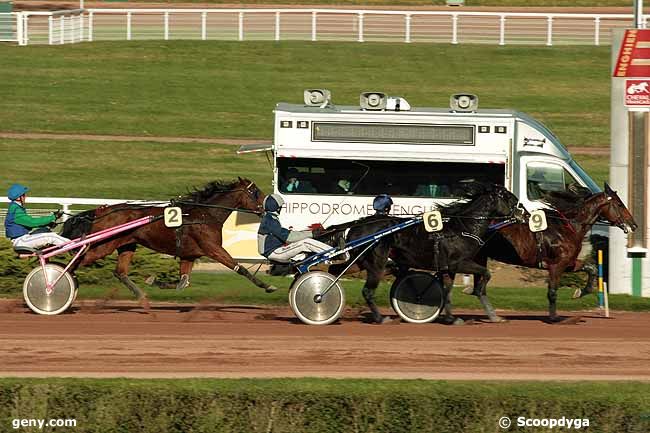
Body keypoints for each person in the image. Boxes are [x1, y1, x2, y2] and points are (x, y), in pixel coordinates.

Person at [257, 194, 331, 263]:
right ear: (277, 208)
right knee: (306, 243)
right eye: (281, 207)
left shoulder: (269, 218)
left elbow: (288, 234)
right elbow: (289, 237)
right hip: (274, 252)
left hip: (275, 251)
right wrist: (312, 233)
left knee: (305, 253)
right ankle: (332, 253)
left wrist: (310, 233)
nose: (281, 208)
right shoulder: (270, 220)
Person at [4, 183, 69, 250]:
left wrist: (47, 224)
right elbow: (32, 222)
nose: (25, 197)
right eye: (23, 195)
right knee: (51, 237)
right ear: (18, 198)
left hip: (22, 239)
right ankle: (74, 247)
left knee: (45, 230)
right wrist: (53, 217)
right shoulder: (15, 209)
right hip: (20, 241)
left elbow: (28, 225)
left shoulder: (16, 207)